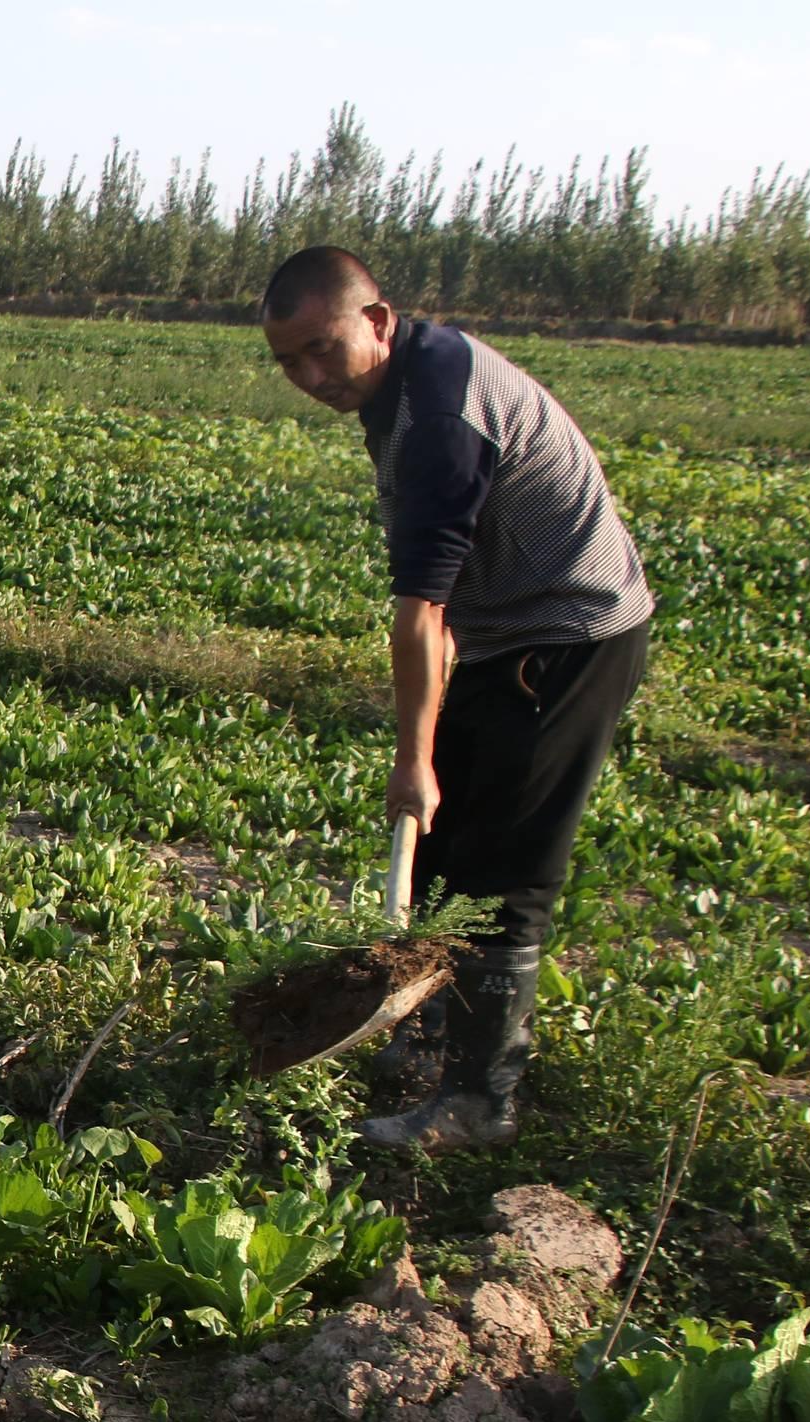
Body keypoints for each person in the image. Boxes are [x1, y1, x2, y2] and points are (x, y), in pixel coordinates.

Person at [258, 246, 654, 1154]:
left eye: (323, 350)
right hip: (501, 634)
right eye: (290, 364)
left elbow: (419, 616)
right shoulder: (396, 387)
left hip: (568, 640)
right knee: (443, 857)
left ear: (380, 322)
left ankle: (480, 1104)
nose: (311, 377)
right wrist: (427, 756)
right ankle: (427, 1042)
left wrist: (412, 760)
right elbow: (437, 622)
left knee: (506, 877)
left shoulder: (440, 415)